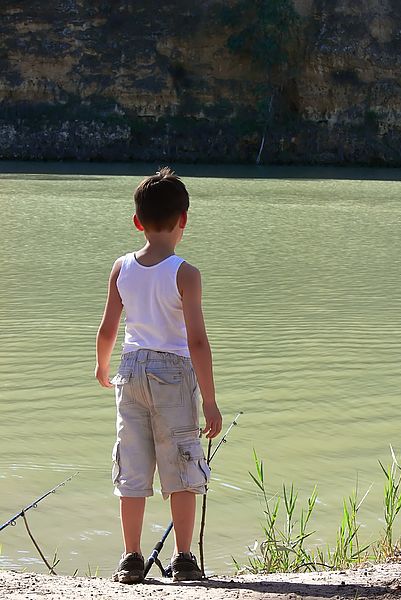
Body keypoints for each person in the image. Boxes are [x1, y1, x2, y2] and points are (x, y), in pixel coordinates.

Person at [95, 167, 222, 584]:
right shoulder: (186, 273)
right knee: (182, 463)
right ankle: (184, 560)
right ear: (184, 220)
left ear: (137, 222)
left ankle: (130, 558)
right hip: (173, 372)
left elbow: (109, 328)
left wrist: (102, 365)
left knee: (131, 466)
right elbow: (198, 342)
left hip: (129, 372)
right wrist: (210, 400)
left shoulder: (121, 268)